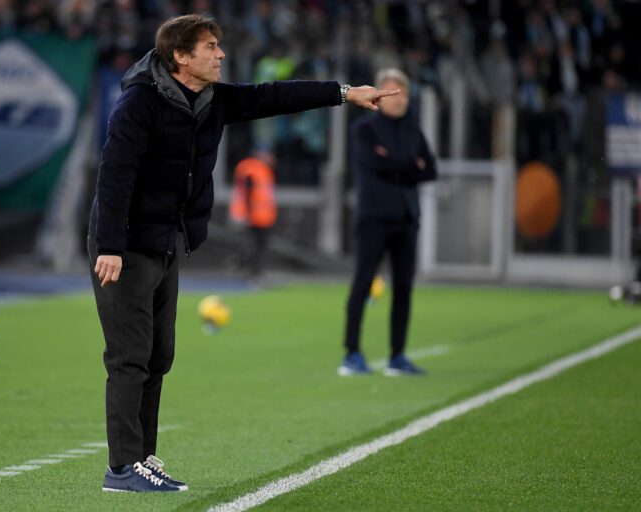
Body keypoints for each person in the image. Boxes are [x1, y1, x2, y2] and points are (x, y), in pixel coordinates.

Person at [88, 14, 400, 493]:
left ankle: (143, 459)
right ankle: (121, 468)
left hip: (164, 241)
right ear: (180, 56)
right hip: (126, 246)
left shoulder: (211, 100)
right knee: (129, 357)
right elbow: (114, 175)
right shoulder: (139, 102)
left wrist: (343, 93)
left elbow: (274, 96)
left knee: (158, 356)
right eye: (210, 46)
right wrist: (110, 245)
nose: (220, 54)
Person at [339, 68, 437, 377]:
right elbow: (377, 163)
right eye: (393, 93)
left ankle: (398, 355)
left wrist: (396, 164)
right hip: (374, 218)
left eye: (404, 93)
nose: (399, 100)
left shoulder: (413, 131)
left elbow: (430, 170)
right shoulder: (364, 129)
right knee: (363, 283)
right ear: (379, 96)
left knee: (404, 288)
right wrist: (409, 165)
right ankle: (352, 354)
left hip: (407, 218)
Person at [229, 149, 277, 277]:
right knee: (253, 245)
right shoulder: (252, 169)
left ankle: (254, 270)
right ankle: (250, 271)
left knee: (259, 244)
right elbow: (247, 193)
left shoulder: (263, 170)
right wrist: (248, 214)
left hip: (263, 216)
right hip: (253, 216)